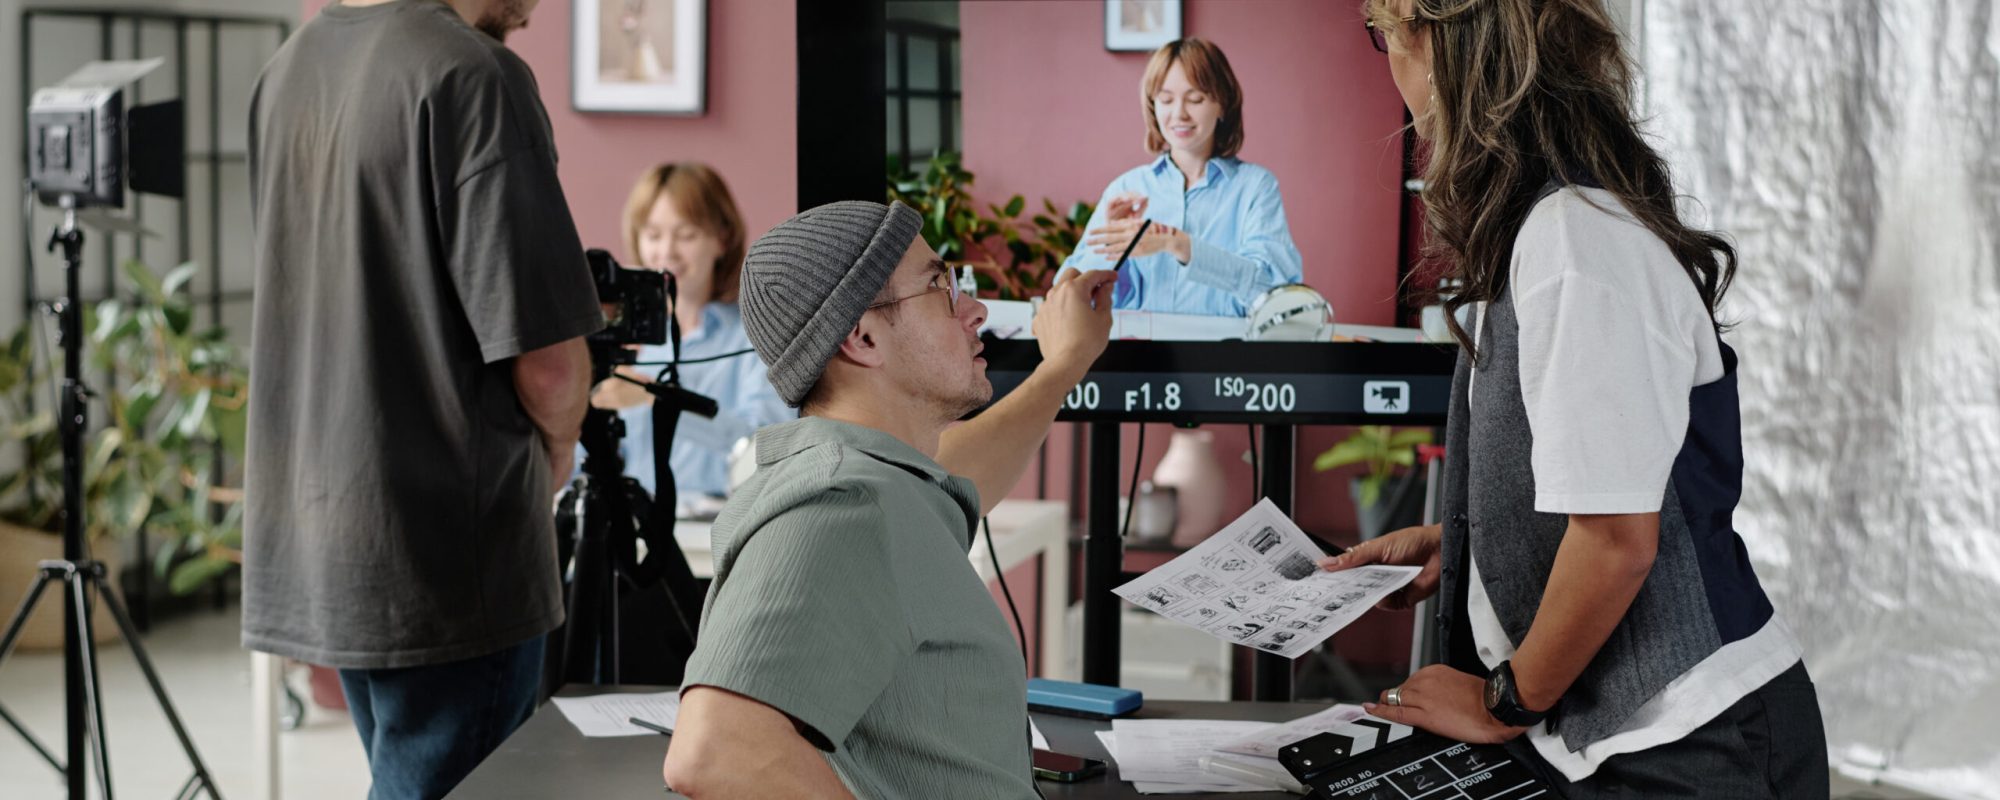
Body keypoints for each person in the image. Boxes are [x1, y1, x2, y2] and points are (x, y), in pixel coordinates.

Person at [1323, 1, 1828, 797]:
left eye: (1380, 33)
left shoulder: (1574, 239)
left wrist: (1500, 702)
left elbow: (1617, 541)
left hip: (1692, 742)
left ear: (1434, 45)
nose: (1388, 62)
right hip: (1621, 736)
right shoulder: (1550, 223)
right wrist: (1470, 542)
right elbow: (1604, 479)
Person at [243, 0, 601, 797]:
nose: (541, 7)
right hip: (448, 551)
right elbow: (546, 363)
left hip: (326, 534)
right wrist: (558, 445)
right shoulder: (475, 75)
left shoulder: (287, 71)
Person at [660, 201, 1118, 798]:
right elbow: (715, 752)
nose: (975, 311)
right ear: (864, 336)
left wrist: (1065, 364)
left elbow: (960, 470)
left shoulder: (883, 483)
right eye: (941, 288)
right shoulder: (842, 507)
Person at [588, 163, 790, 511]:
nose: (666, 253)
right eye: (652, 235)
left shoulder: (755, 337)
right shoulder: (629, 340)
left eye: (685, 235)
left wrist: (657, 400)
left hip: (721, 526)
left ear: (722, 238)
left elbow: (768, 449)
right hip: (633, 524)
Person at [1057, 37, 1303, 317]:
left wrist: (1181, 245)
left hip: (1226, 356)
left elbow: (1275, 293)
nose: (1179, 114)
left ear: (1222, 104)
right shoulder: (1126, 188)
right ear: (1153, 106)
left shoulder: (1256, 187)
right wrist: (1110, 247)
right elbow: (1066, 295)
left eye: (1195, 99)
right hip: (1135, 356)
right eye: (1166, 99)